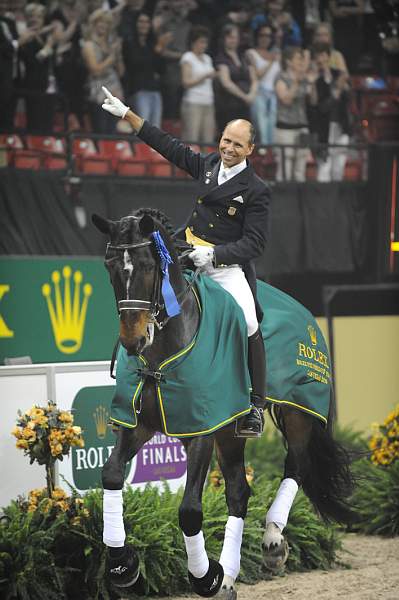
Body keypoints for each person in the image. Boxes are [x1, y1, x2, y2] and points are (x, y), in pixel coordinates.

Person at [101, 85, 270, 437]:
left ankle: (255, 405)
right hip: (187, 252)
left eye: (237, 145)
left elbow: (255, 242)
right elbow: (170, 147)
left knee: (251, 322)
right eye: (226, 140)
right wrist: (129, 115)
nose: (228, 148)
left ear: (250, 149)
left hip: (224, 267)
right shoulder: (209, 164)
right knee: (145, 288)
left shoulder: (256, 189)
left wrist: (217, 254)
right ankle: (140, 374)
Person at [308, 42, 352, 181]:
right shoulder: (315, 79)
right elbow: (317, 105)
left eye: (323, 55)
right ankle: (323, 201)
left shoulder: (339, 74)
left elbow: (347, 97)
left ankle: (337, 200)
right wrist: (334, 92)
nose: (320, 59)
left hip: (341, 125)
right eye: (317, 57)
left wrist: (342, 87)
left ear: (328, 56)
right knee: (324, 168)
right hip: (323, 128)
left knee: (339, 167)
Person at [274, 45, 318, 181]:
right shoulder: (281, 77)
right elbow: (286, 99)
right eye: (299, 59)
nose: (301, 62)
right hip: (285, 128)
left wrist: (312, 83)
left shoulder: (304, 78)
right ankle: (283, 200)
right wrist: (296, 82)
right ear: (288, 61)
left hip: (302, 127)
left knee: (300, 168)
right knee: (285, 168)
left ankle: (299, 200)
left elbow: (314, 100)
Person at [122, 12, 170, 129]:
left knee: (156, 129)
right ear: (135, 24)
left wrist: (160, 51)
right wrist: (157, 51)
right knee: (143, 128)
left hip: (155, 90)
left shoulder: (152, 43)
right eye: (141, 21)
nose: (144, 25)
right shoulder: (129, 42)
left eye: (147, 22)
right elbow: (134, 64)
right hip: (138, 89)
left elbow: (162, 69)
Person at [82, 8, 124, 134]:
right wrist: (111, 58)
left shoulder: (111, 45)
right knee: (101, 131)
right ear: (93, 24)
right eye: (100, 22)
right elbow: (95, 70)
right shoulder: (88, 45)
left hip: (115, 93)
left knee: (113, 132)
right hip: (98, 94)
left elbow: (121, 72)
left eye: (107, 23)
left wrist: (118, 55)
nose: (103, 25)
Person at [214, 23, 257, 137]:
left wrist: (252, 94)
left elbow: (254, 79)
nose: (233, 40)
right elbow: (226, 83)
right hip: (229, 105)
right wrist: (245, 96)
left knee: (245, 137)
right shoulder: (221, 58)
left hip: (245, 105)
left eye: (235, 37)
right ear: (224, 39)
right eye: (230, 37)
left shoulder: (245, 56)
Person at [180, 25, 216, 143]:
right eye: (201, 42)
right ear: (193, 42)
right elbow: (186, 82)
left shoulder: (207, 58)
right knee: (192, 138)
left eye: (205, 42)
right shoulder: (188, 57)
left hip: (208, 102)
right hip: (193, 103)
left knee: (208, 139)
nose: (204, 45)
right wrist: (204, 77)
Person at [246, 24, 281, 145]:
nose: (265, 38)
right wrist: (271, 61)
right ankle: (262, 152)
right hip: (259, 92)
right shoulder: (251, 53)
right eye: (262, 35)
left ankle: (269, 153)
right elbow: (258, 75)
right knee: (261, 124)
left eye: (268, 36)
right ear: (257, 36)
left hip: (273, 93)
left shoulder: (276, 55)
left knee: (272, 125)